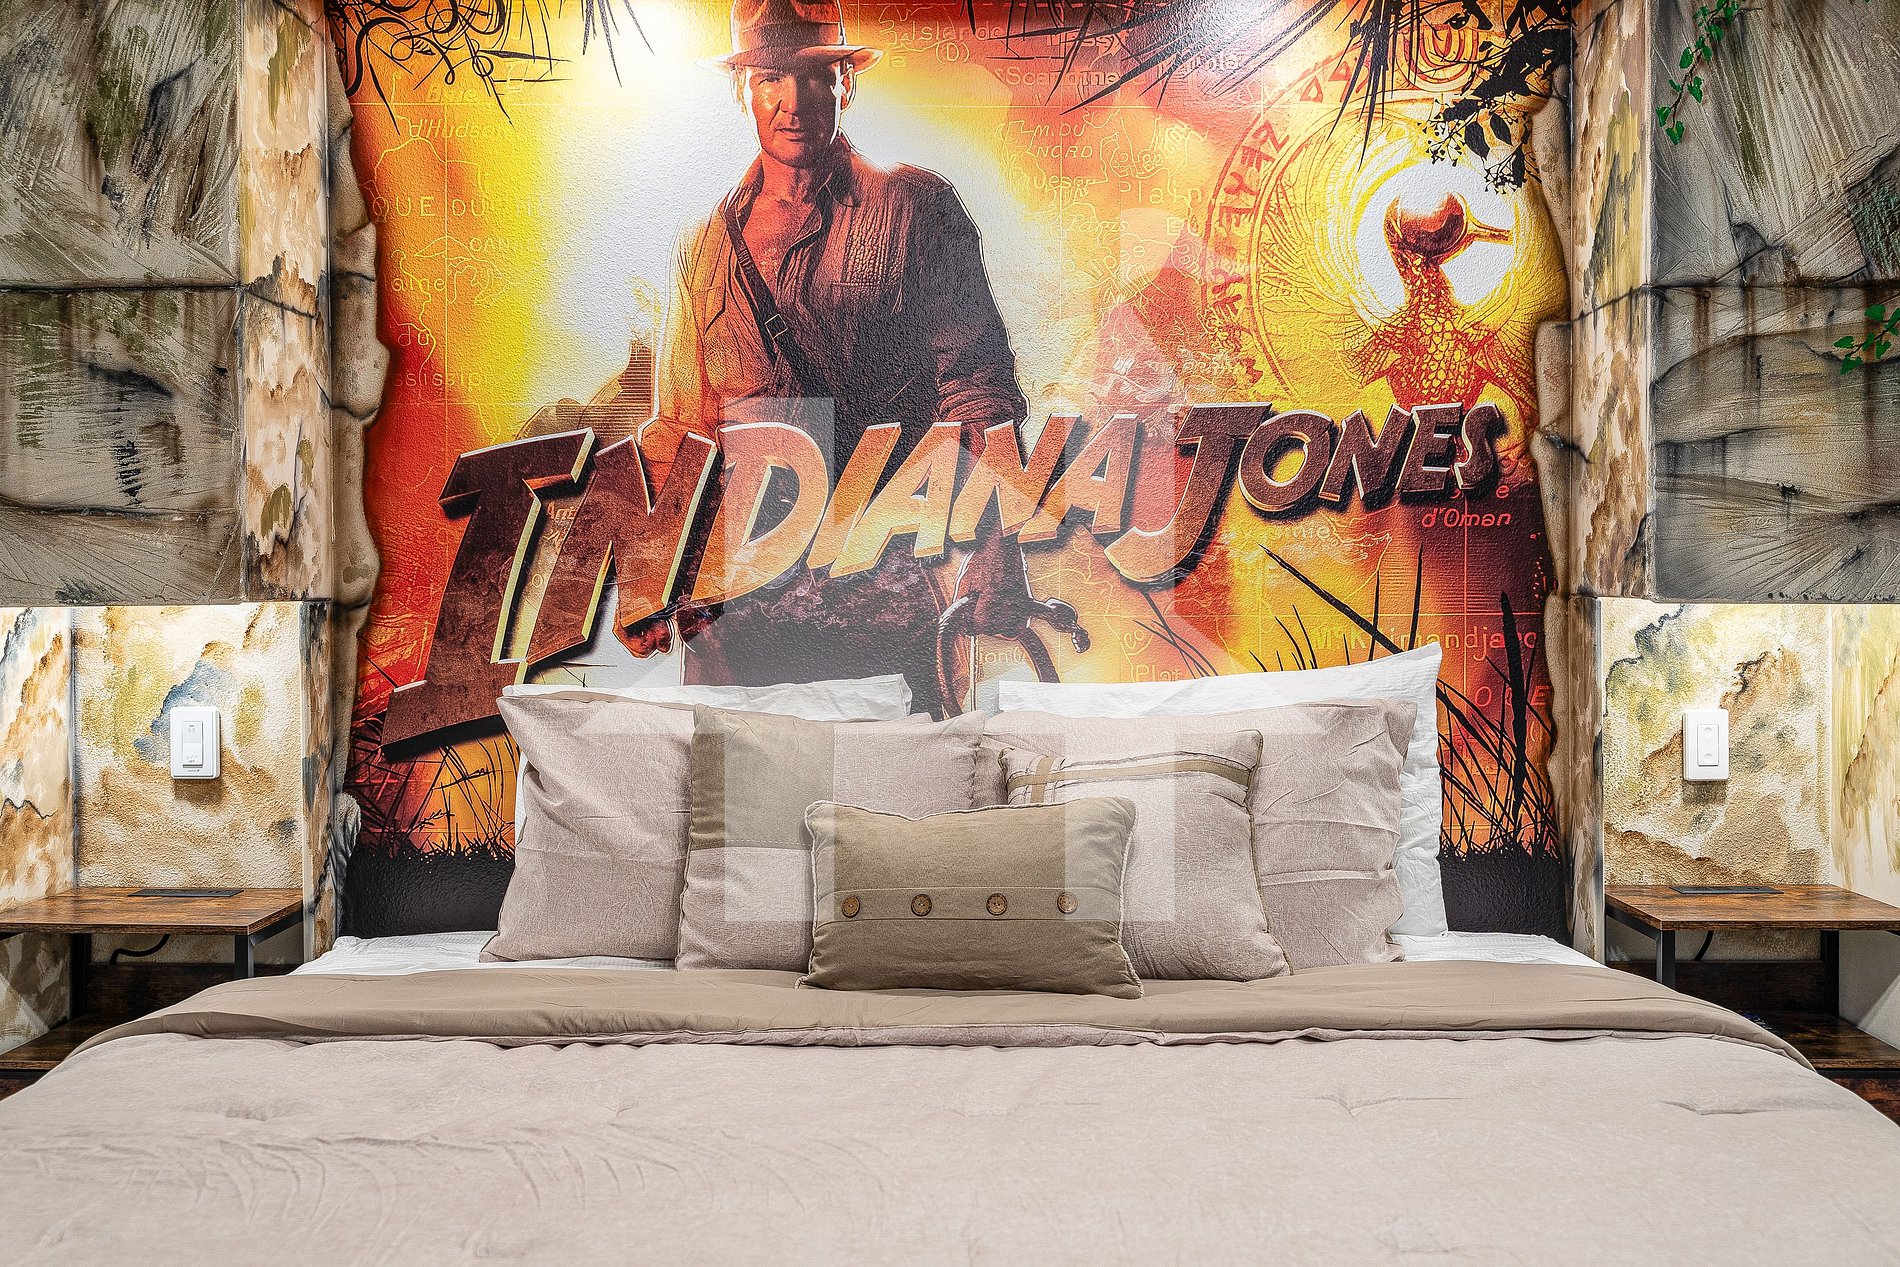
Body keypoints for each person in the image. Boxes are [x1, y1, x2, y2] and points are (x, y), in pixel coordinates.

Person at [646, 0, 1081, 714]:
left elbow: (978, 394)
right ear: (741, 90)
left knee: (905, 775)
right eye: (771, 78)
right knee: (736, 783)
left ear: (846, 83)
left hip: (887, 590)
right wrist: (654, 575)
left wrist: (999, 551)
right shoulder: (703, 246)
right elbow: (682, 431)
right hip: (739, 612)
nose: (793, 102)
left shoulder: (914, 208)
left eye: (816, 77)